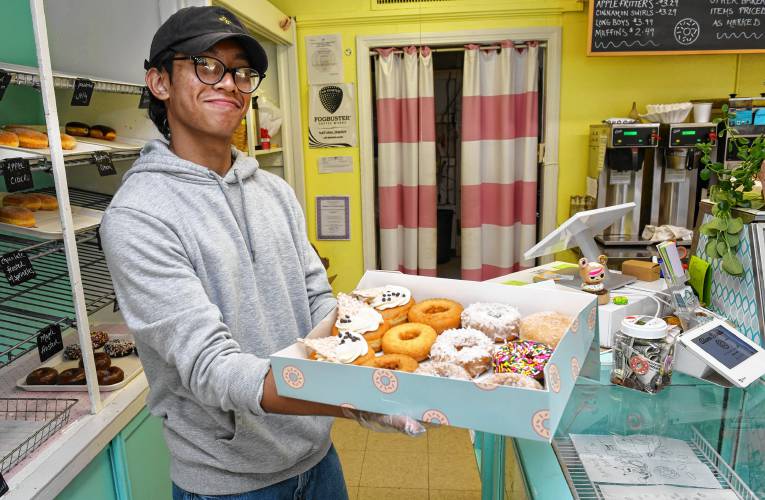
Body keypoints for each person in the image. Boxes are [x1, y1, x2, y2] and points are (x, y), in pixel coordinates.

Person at [100, 6, 423, 499]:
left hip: (316, 460)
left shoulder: (274, 192)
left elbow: (316, 300)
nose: (230, 83)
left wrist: (368, 345)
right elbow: (210, 366)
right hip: (228, 482)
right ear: (159, 82)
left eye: (242, 72)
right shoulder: (138, 217)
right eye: (207, 65)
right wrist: (351, 402)